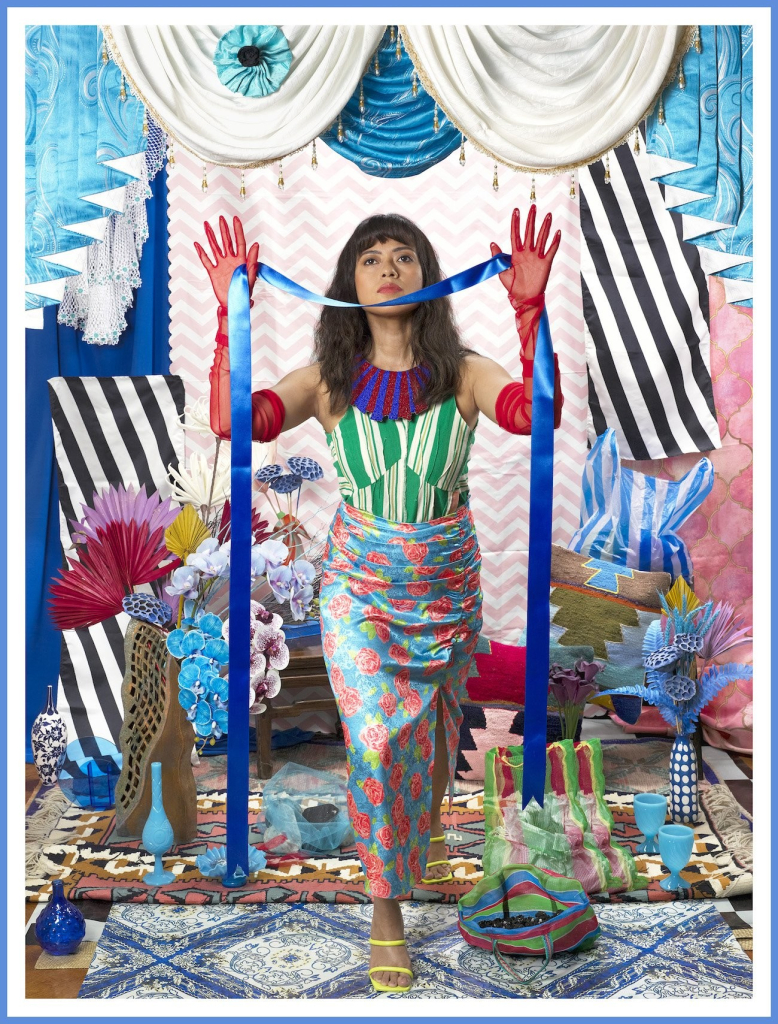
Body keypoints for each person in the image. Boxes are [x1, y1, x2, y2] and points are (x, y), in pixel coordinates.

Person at [196, 207, 563, 993]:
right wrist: (233, 320)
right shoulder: (329, 381)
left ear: (428, 278)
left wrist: (529, 311)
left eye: (403, 255)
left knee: (428, 742)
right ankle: (386, 907)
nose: (388, 266)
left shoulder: (462, 371)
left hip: (446, 587)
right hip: (360, 589)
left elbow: (536, 414)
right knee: (376, 742)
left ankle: (414, 848)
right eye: (371, 258)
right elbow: (236, 421)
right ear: (349, 285)